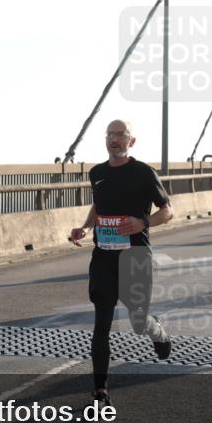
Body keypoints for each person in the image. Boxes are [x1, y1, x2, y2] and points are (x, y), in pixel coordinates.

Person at [70, 119, 173, 406]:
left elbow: (168, 211)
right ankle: (100, 390)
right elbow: (98, 204)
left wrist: (143, 222)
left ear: (131, 141)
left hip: (136, 257)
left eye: (120, 135)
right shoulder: (97, 173)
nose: (114, 139)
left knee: (138, 321)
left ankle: (158, 331)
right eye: (110, 135)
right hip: (103, 257)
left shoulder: (143, 172)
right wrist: (86, 227)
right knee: (101, 323)